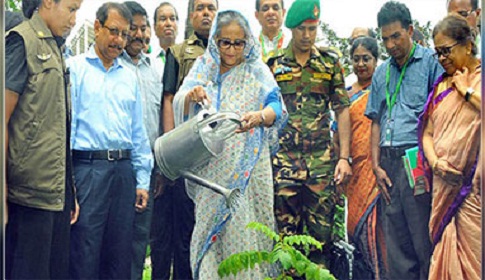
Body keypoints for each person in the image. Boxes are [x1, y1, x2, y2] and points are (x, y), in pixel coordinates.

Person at [172, 10, 287, 279]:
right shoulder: (203, 67)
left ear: (247, 42)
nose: (232, 49)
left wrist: (259, 117)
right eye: (225, 42)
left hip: (247, 174)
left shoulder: (256, 71)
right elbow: (180, 101)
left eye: (239, 43)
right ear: (215, 41)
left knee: (245, 236)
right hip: (210, 174)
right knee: (209, 238)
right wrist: (192, 94)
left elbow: (276, 107)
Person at [68, 2, 153, 279]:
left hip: (123, 174)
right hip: (87, 171)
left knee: (120, 255)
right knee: (85, 252)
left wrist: (141, 180)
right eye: (113, 31)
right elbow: (68, 130)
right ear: (97, 27)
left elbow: (137, 132)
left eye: (124, 34)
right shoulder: (75, 70)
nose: (119, 40)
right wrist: (70, 186)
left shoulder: (128, 78)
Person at [268, 0, 353, 268]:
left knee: (320, 239)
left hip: (320, 163)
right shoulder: (274, 65)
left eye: (313, 29)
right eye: (302, 29)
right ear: (291, 28)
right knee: (285, 239)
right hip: (284, 164)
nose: (307, 35)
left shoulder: (329, 62)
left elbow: (342, 109)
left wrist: (344, 158)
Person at [364, 2, 444, 279]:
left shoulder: (431, 64)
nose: (390, 44)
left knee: (423, 235)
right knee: (395, 239)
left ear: (410, 30)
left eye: (396, 36)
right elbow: (375, 120)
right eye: (385, 38)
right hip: (387, 161)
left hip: (417, 158)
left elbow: (439, 117)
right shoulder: (381, 72)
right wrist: (376, 166)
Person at [5, 0, 83, 278]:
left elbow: (58, 128)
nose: (75, 20)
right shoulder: (22, 42)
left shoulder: (56, 47)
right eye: (72, 9)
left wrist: (69, 191)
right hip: (28, 194)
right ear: (48, 2)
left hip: (56, 193)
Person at [157, 1, 217, 279]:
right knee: (185, 235)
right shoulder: (178, 53)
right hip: (188, 158)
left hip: (219, 159)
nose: (206, 13)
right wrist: (173, 153)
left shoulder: (230, 47)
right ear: (192, 15)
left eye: (211, 8)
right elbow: (168, 98)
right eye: (201, 8)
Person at [420, 14, 481, 280]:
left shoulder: (477, 80)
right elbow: (428, 134)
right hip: (444, 187)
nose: (443, 59)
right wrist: (436, 163)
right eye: (438, 54)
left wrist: (467, 92)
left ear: (467, 45)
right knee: (445, 258)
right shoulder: (441, 86)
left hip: (474, 192)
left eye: (447, 51)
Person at [334, 36, 386, 279]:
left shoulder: (384, 86)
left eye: (366, 58)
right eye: (356, 59)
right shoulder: (346, 93)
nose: (361, 64)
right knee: (354, 225)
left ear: (376, 60)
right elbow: (337, 128)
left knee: (379, 231)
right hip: (353, 170)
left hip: (377, 168)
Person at [119, 2, 163, 280]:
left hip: (147, 169)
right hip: (118, 168)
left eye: (143, 28)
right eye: (132, 28)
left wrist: (157, 169)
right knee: (115, 241)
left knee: (139, 241)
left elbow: (157, 124)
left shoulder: (154, 70)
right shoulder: (111, 66)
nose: (139, 34)